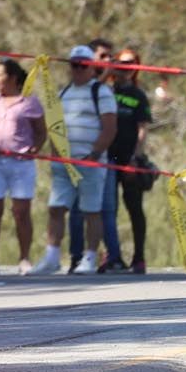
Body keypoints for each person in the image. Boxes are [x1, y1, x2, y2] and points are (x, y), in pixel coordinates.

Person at [34, 45, 116, 276]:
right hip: (63, 164)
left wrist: (95, 154)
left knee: (91, 211)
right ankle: (51, 256)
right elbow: (54, 126)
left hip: (90, 162)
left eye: (84, 65)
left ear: (91, 67)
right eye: (74, 65)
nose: (79, 69)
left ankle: (90, 257)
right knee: (56, 208)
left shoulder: (101, 92)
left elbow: (110, 127)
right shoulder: (63, 93)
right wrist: (54, 155)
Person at [0, 58, 44, 276]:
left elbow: (41, 131)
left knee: (21, 212)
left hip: (21, 164)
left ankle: (24, 258)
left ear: (12, 78)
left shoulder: (29, 103)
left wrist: (36, 148)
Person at [68, 42, 126, 272]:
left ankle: (114, 257)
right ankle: (77, 255)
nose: (106, 61)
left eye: (109, 57)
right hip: (84, 157)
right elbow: (87, 94)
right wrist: (105, 74)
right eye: (101, 57)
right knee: (77, 209)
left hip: (108, 158)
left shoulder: (114, 86)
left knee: (107, 210)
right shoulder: (89, 86)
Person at [108, 49, 156, 274]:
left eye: (130, 63)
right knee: (108, 209)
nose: (125, 67)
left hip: (129, 158)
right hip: (107, 156)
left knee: (134, 208)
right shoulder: (106, 89)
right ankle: (111, 255)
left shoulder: (138, 95)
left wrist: (136, 159)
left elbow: (142, 129)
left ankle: (139, 257)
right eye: (121, 63)